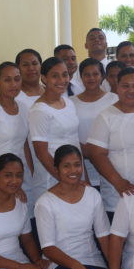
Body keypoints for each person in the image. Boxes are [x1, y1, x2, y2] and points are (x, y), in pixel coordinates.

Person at [34, 145, 112, 269]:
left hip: (92, 260)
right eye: (66, 166)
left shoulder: (92, 195)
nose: (73, 170)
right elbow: (48, 248)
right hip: (58, 264)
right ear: (56, 169)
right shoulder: (45, 202)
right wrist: (75, 265)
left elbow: (104, 237)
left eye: (77, 165)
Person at [87, 68, 134, 217]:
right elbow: (96, 154)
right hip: (118, 195)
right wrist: (119, 183)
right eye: (125, 86)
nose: (131, 91)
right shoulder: (105, 117)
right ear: (117, 86)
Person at [29, 57, 81, 203]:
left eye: (64, 75)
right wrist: (63, 179)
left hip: (73, 175)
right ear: (44, 78)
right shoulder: (39, 110)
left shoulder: (69, 103)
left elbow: (75, 141)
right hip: (51, 179)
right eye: (55, 76)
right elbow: (41, 153)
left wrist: (79, 178)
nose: (62, 80)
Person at [0, 62, 33, 196]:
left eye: (17, 79)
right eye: (7, 80)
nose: (13, 84)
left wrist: (32, 173)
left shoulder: (24, 108)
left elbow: (24, 144)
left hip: (22, 177)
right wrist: (5, 181)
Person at [71, 58, 118, 189]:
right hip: (82, 166)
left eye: (95, 74)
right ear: (81, 77)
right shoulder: (70, 103)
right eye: (86, 74)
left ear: (102, 76)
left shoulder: (114, 99)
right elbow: (69, 132)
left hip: (110, 163)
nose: (91, 78)